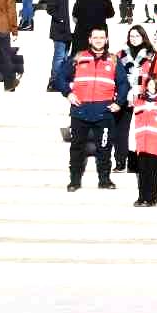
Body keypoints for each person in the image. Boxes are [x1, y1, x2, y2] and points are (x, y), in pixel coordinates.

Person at [55, 26, 128, 191]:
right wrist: (68, 93)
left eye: (102, 38)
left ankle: (104, 180)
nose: (98, 40)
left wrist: (119, 102)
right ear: (89, 39)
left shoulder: (113, 60)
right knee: (76, 148)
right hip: (80, 111)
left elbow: (124, 83)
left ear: (106, 40)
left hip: (104, 113)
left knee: (104, 148)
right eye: (95, 37)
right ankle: (74, 181)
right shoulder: (79, 57)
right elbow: (60, 77)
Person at [131, 73, 157, 207]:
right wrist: (132, 142)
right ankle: (142, 197)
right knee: (142, 171)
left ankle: (152, 197)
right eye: (150, 84)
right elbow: (133, 123)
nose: (152, 87)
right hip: (141, 142)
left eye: (155, 84)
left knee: (152, 172)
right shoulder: (139, 103)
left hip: (156, 143)